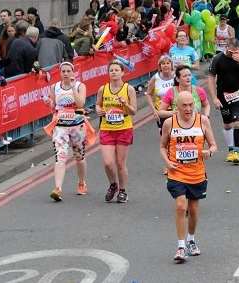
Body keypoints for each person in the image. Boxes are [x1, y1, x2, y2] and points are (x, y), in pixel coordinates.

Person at [160, 91, 217, 263]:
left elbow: (214, 145)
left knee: (193, 210)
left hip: (197, 173)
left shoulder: (203, 121)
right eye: (184, 105)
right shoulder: (170, 123)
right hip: (176, 172)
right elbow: (162, 146)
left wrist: (209, 152)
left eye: (191, 104)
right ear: (176, 106)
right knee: (180, 205)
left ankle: (191, 240)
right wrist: (167, 162)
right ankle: (181, 246)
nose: (188, 108)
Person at [208, 38, 239, 164]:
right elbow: (211, 78)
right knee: (227, 124)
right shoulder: (217, 59)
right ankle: (230, 150)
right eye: (230, 51)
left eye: (235, 52)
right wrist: (214, 98)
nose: (232, 54)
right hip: (223, 95)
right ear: (226, 48)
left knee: (237, 122)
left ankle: (236, 152)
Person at [45, 62, 88, 202]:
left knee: (79, 157)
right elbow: (53, 107)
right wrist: (49, 103)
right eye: (63, 71)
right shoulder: (55, 87)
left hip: (77, 125)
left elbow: (81, 103)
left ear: (73, 72)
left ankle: (81, 182)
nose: (66, 73)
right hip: (61, 126)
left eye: (69, 71)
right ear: (60, 72)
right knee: (60, 156)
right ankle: (58, 188)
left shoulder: (80, 86)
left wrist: (73, 87)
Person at [96, 61, 137, 204]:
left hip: (124, 128)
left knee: (120, 163)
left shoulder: (129, 89)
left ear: (122, 73)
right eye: (111, 70)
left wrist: (125, 103)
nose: (113, 72)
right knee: (108, 163)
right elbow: (97, 105)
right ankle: (113, 184)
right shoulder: (103, 89)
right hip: (107, 128)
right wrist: (98, 110)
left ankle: (123, 191)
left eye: (116, 70)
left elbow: (134, 111)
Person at [145, 55, 175, 132]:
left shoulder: (176, 76)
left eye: (168, 63)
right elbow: (148, 94)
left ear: (171, 65)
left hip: (176, 111)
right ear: (160, 66)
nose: (166, 65)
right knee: (164, 138)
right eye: (163, 63)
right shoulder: (155, 78)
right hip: (162, 112)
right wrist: (154, 111)